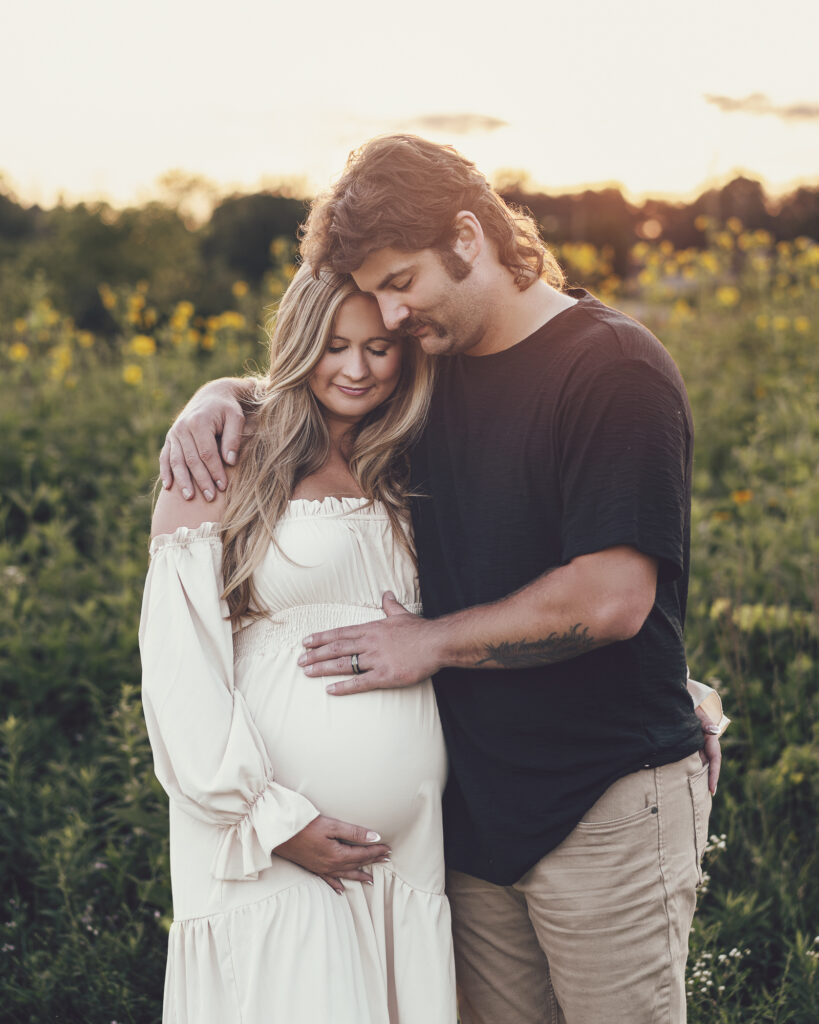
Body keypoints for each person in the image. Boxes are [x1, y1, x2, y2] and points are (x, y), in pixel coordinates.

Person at [160, 135, 728, 1024]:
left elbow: (612, 598)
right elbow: (320, 380)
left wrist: (425, 644)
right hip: (469, 819)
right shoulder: (431, 372)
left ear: (467, 237)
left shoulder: (611, 367)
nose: (389, 317)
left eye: (400, 283)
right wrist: (219, 396)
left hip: (602, 797)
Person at [140, 265, 457, 1023]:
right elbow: (180, 672)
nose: (356, 369)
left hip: (403, 862)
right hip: (266, 848)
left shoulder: (411, 461)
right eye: (333, 345)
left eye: (378, 347)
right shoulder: (222, 457)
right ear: (299, 342)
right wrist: (274, 824)